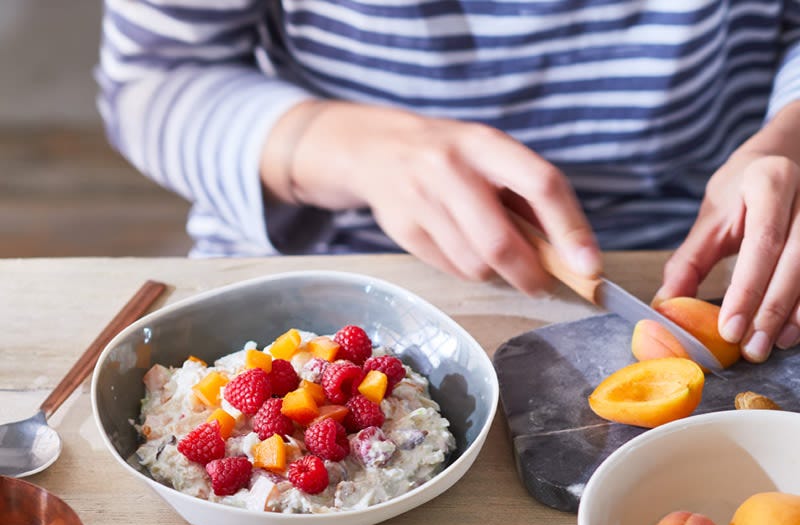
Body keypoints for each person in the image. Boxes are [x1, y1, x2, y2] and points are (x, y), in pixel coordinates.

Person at [96, 1, 800, 363]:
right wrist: (349, 148)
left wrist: (788, 138)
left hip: (720, 265)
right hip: (305, 284)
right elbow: (151, 81)